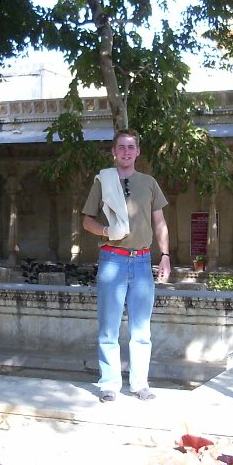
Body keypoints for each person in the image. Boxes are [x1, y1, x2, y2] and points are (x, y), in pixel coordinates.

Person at [82, 128, 171, 403]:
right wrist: (107, 232)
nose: (126, 151)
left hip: (142, 261)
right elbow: (87, 221)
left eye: (131, 147)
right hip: (112, 259)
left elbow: (159, 222)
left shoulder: (149, 183)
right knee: (109, 326)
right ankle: (109, 384)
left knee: (141, 328)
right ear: (114, 151)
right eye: (121, 147)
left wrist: (165, 255)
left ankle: (139, 384)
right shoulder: (103, 181)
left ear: (138, 152)